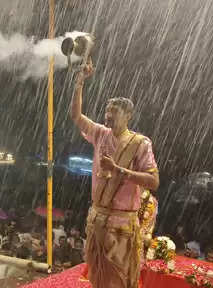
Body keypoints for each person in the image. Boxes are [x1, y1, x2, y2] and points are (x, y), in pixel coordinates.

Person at [70, 59, 159, 288]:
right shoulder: (100, 133)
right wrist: (79, 82)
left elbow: (154, 181)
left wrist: (118, 170)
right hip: (97, 220)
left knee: (118, 282)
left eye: (114, 111)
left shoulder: (140, 143)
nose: (108, 116)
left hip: (121, 227)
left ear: (128, 114)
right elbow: (76, 117)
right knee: (97, 279)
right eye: (107, 111)